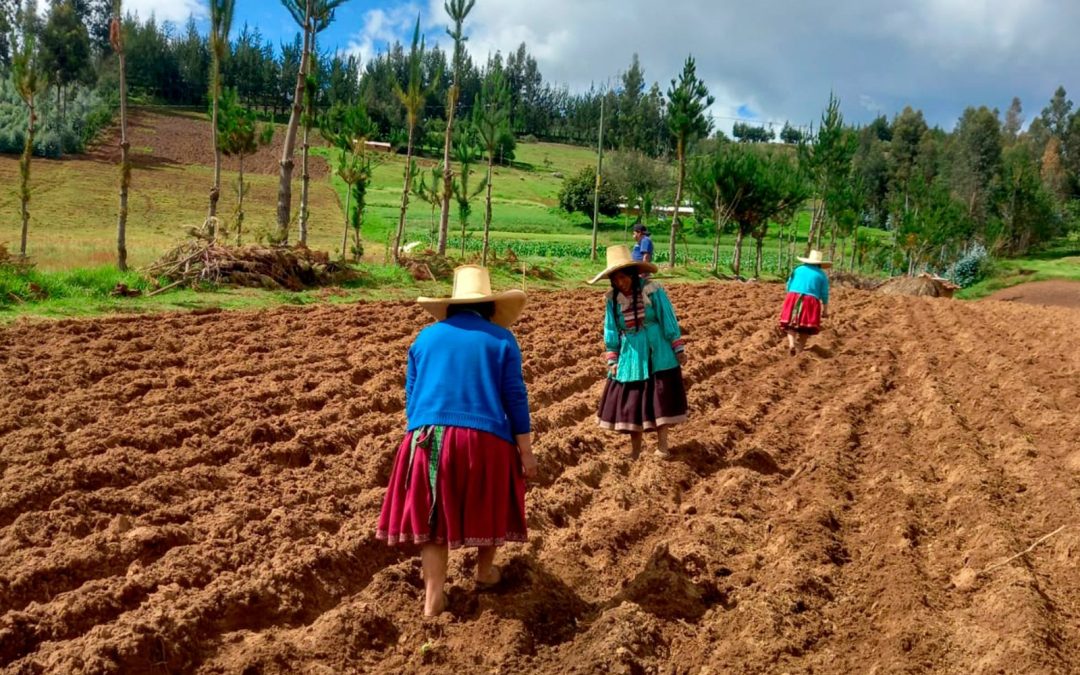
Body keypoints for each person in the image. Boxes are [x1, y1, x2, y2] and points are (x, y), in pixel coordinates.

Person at [376, 265, 537, 617]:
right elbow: (515, 397)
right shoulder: (501, 339)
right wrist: (525, 452)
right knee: (492, 498)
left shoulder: (424, 339)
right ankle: (484, 572)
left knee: (433, 515)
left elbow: (412, 397)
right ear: (490, 307)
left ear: (451, 306)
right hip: (484, 437)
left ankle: (433, 597)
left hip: (427, 435)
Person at [588, 245, 689, 460]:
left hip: (657, 351)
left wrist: (677, 347)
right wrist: (612, 358)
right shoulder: (612, 300)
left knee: (660, 399)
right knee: (633, 402)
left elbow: (667, 317)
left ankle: (663, 447)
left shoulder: (652, 290)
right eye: (615, 279)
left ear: (632, 275)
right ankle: (635, 451)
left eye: (623, 277)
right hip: (631, 355)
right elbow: (611, 329)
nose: (620, 283)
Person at [778, 249, 831, 355]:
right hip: (811, 300)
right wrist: (825, 309)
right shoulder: (821, 275)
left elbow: (788, 285)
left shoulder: (798, 269)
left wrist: (791, 296)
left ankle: (791, 344)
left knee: (790, 324)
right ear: (819, 264)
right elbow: (824, 293)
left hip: (793, 296)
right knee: (806, 328)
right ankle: (800, 350)